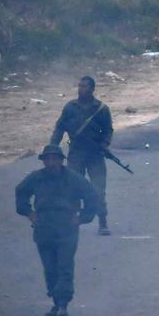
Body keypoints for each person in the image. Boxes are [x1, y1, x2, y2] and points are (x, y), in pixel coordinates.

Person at [15, 144, 98, 316]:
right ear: (43, 161)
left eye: (55, 158)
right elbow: (20, 193)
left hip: (66, 227)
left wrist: (82, 218)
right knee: (50, 268)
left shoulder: (74, 179)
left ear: (62, 160)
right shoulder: (36, 178)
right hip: (43, 227)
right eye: (48, 159)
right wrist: (29, 213)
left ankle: (63, 305)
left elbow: (92, 197)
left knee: (65, 266)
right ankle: (56, 301)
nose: (51, 162)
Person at [50, 75, 114, 235]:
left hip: (95, 155)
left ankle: (103, 221)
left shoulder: (101, 109)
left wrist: (105, 145)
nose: (81, 89)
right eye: (79, 86)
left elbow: (108, 130)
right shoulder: (70, 107)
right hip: (76, 153)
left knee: (98, 189)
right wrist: (53, 148)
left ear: (92, 89)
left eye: (85, 86)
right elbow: (60, 128)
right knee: (72, 188)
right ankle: (72, 221)